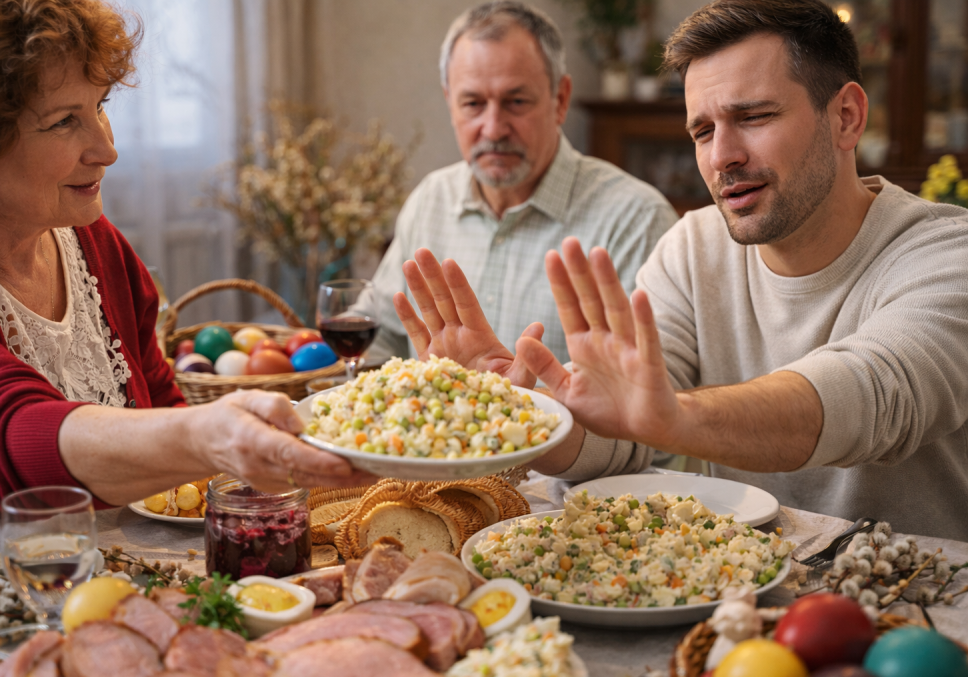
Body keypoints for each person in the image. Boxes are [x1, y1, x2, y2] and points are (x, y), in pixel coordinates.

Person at [395, 0, 968, 541]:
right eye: (703, 131)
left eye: (754, 116)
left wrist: (677, 417)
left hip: (927, 591)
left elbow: (869, 395)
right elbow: (619, 435)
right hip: (747, 584)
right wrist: (510, 414)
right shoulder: (692, 248)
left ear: (846, 117)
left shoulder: (946, 253)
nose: (722, 156)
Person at [0, 0, 374, 525]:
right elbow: (5, 436)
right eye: (63, 122)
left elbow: (161, 405)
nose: (106, 149)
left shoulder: (95, 245)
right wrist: (205, 437)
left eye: (100, 105)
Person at [369, 1, 677, 366]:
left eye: (516, 101)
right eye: (473, 103)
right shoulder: (429, 200)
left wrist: (521, 396)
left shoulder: (636, 220)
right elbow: (379, 334)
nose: (494, 129)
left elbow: (650, 381)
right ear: (450, 102)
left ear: (560, 99)